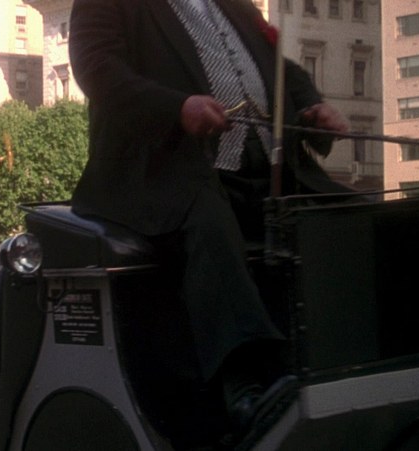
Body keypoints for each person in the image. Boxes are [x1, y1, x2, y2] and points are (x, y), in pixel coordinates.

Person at [69, 0, 352, 444]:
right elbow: (97, 70)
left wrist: (311, 105)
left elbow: (279, 69)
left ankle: (358, 354)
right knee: (206, 215)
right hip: (160, 172)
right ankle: (243, 381)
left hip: (266, 174)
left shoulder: (236, 6)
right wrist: (177, 108)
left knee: (351, 212)